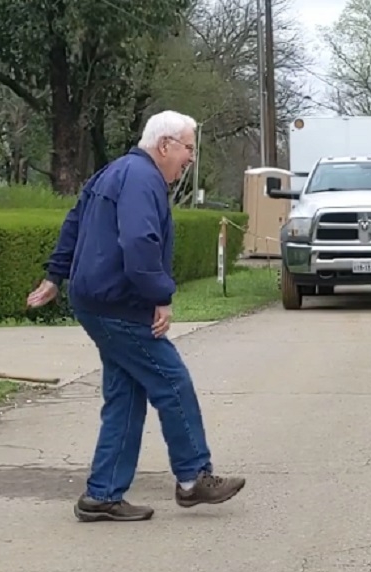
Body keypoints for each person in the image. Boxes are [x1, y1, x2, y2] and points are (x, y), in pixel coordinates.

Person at [26, 110, 246, 522]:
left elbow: (74, 219)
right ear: (164, 145)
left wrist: (57, 274)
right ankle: (193, 478)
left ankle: (103, 495)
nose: (190, 159)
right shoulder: (143, 179)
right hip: (120, 305)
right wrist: (160, 295)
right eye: (188, 149)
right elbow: (140, 242)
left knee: (127, 394)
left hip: (97, 301)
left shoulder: (114, 171)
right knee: (172, 382)